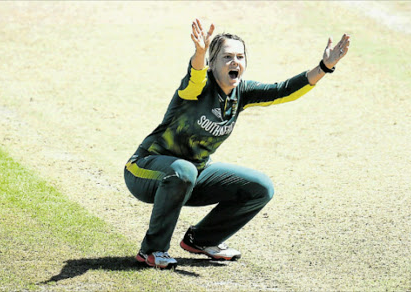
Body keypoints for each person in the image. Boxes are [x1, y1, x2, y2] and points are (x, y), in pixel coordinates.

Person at [124, 18, 350, 269]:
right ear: (212, 63)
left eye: (240, 57)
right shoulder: (197, 88)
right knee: (184, 171)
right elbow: (196, 73)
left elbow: (283, 90)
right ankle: (152, 251)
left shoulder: (241, 93)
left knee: (260, 187)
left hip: (191, 175)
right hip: (145, 170)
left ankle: (202, 239)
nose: (235, 62)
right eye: (227, 57)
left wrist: (324, 67)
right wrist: (199, 53)